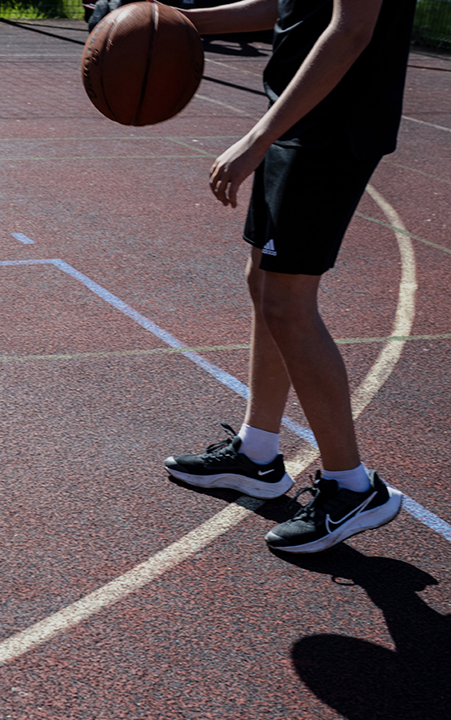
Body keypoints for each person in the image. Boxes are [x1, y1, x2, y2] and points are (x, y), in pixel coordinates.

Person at [163, 0, 417, 553]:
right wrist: (176, 19)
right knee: (263, 282)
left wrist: (257, 138)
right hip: (299, 116)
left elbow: (351, 29)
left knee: (287, 301)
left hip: (332, 124)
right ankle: (257, 453)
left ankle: (353, 487)